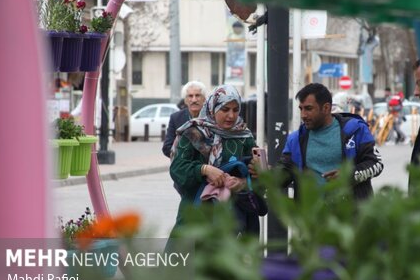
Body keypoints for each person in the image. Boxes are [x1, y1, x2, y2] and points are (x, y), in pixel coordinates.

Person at [168, 85, 258, 237]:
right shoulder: (194, 133)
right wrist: (204, 169)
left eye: (235, 110)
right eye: (225, 109)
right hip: (195, 213)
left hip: (233, 219)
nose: (231, 115)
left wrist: (245, 181)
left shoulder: (244, 136)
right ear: (213, 107)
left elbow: (256, 178)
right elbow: (177, 170)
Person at [277, 83, 383, 200]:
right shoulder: (295, 139)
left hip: (351, 215)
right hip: (312, 216)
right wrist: (265, 175)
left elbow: (376, 164)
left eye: (308, 108)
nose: (303, 115)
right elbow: (284, 173)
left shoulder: (355, 130)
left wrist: (349, 175)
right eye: (301, 109)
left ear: (326, 108)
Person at [162, 81, 206, 158]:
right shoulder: (175, 118)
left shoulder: (212, 117)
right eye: (190, 96)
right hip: (183, 166)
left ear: (204, 99)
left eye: (198, 95)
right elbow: (167, 147)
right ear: (185, 100)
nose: (194, 100)